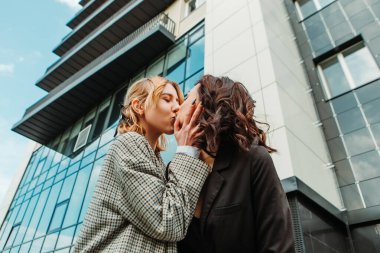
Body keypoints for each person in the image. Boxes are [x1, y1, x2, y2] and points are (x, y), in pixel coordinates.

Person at [73, 76, 210, 253]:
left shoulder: (156, 160)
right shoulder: (129, 143)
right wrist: (186, 150)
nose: (176, 107)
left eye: (178, 101)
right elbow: (167, 222)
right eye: (166, 99)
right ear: (138, 106)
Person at [176, 75, 295, 253]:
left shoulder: (253, 159)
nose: (178, 105)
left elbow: (278, 245)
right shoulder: (174, 168)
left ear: (203, 108)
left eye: (186, 98)